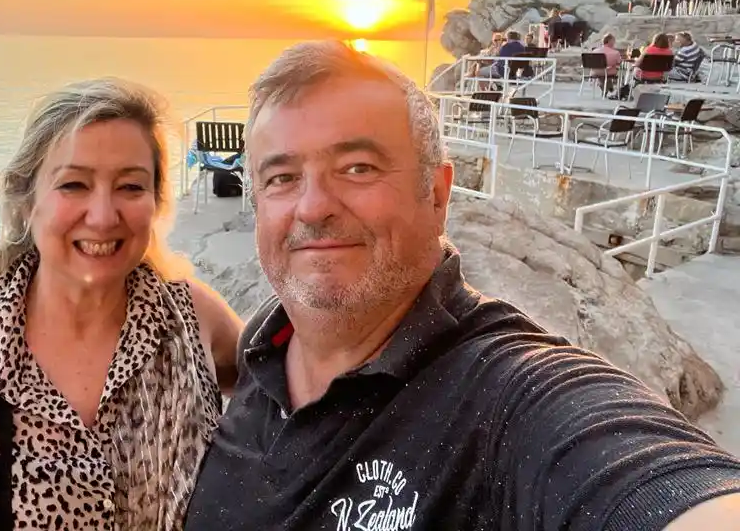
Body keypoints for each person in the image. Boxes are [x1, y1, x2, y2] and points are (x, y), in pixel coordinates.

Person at [183, 40, 740, 530]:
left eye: (357, 167)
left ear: (437, 194)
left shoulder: (509, 399)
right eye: (281, 178)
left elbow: (647, 479)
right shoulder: (263, 347)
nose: (312, 207)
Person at [0, 78, 243, 531]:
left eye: (131, 187)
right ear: (26, 201)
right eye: (74, 185)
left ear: (155, 201)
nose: (102, 216)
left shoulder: (193, 321)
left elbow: (282, 404)